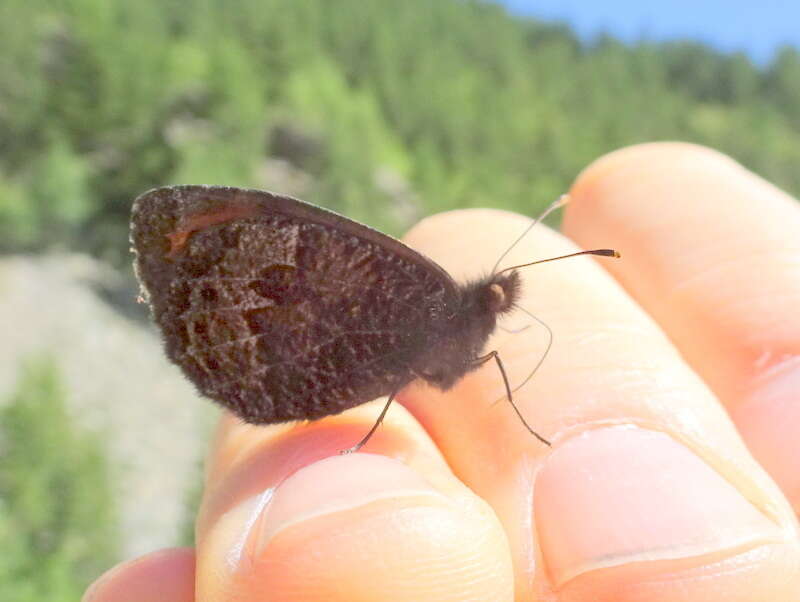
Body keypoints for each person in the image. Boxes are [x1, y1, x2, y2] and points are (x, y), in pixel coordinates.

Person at [83, 143, 800, 601]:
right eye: (497, 296)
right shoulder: (425, 300)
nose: (503, 305)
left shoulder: (440, 329)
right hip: (266, 362)